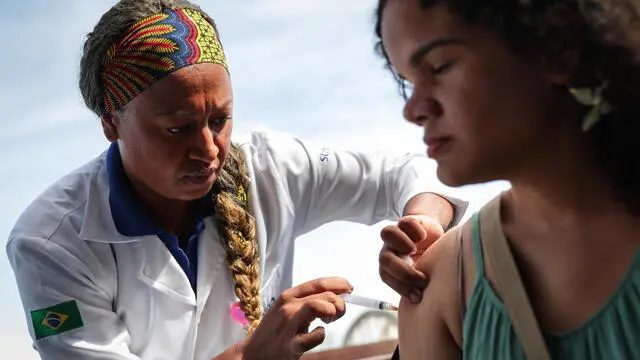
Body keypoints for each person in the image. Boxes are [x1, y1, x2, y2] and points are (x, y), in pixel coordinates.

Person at [6, 1, 468, 359]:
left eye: (220, 119)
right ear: (111, 124)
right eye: (176, 127)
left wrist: (422, 224)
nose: (209, 149)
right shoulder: (51, 243)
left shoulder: (272, 168)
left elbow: (408, 172)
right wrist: (253, 354)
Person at [375, 0, 640, 359]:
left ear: (556, 48)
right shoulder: (440, 285)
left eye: (440, 66)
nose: (413, 109)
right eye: (407, 83)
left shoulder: (452, 285)